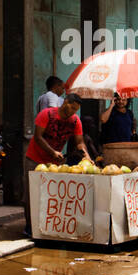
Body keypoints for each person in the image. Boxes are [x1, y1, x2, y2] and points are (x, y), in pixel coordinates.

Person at [23, 94, 89, 234]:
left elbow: (79, 142)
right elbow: (38, 137)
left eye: (75, 110)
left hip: (54, 163)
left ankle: (48, 226)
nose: (72, 111)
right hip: (35, 159)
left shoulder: (75, 121)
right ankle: (30, 226)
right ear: (65, 102)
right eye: (71, 107)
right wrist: (53, 152)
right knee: (31, 194)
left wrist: (87, 157)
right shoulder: (46, 114)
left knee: (51, 195)